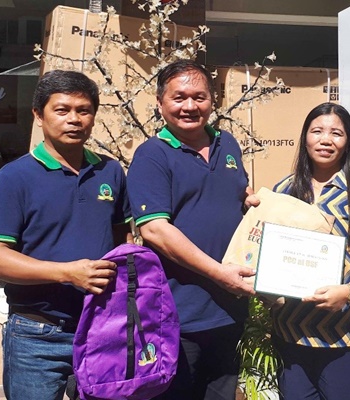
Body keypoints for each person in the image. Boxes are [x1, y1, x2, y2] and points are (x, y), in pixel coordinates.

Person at [0, 70, 133, 400]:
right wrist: (66, 273)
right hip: (37, 335)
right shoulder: (14, 178)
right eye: (61, 110)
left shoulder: (110, 171)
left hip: (101, 328)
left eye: (83, 110)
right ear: (39, 115)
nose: (74, 119)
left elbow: (123, 241)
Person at [126, 59, 258, 400]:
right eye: (179, 97)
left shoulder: (226, 144)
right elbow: (155, 229)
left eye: (199, 97)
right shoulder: (152, 155)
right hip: (178, 316)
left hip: (229, 309)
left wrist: (254, 204)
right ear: (160, 103)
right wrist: (219, 273)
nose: (189, 106)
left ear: (212, 101)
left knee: (222, 393)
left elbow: (232, 199)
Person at [271, 102, 350, 400]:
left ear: (347, 141)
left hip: (346, 339)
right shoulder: (284, 192)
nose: (326, 139)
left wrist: (349, 291)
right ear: (305, 138)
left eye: (336, 133)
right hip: (290, 335)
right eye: (317, 131)